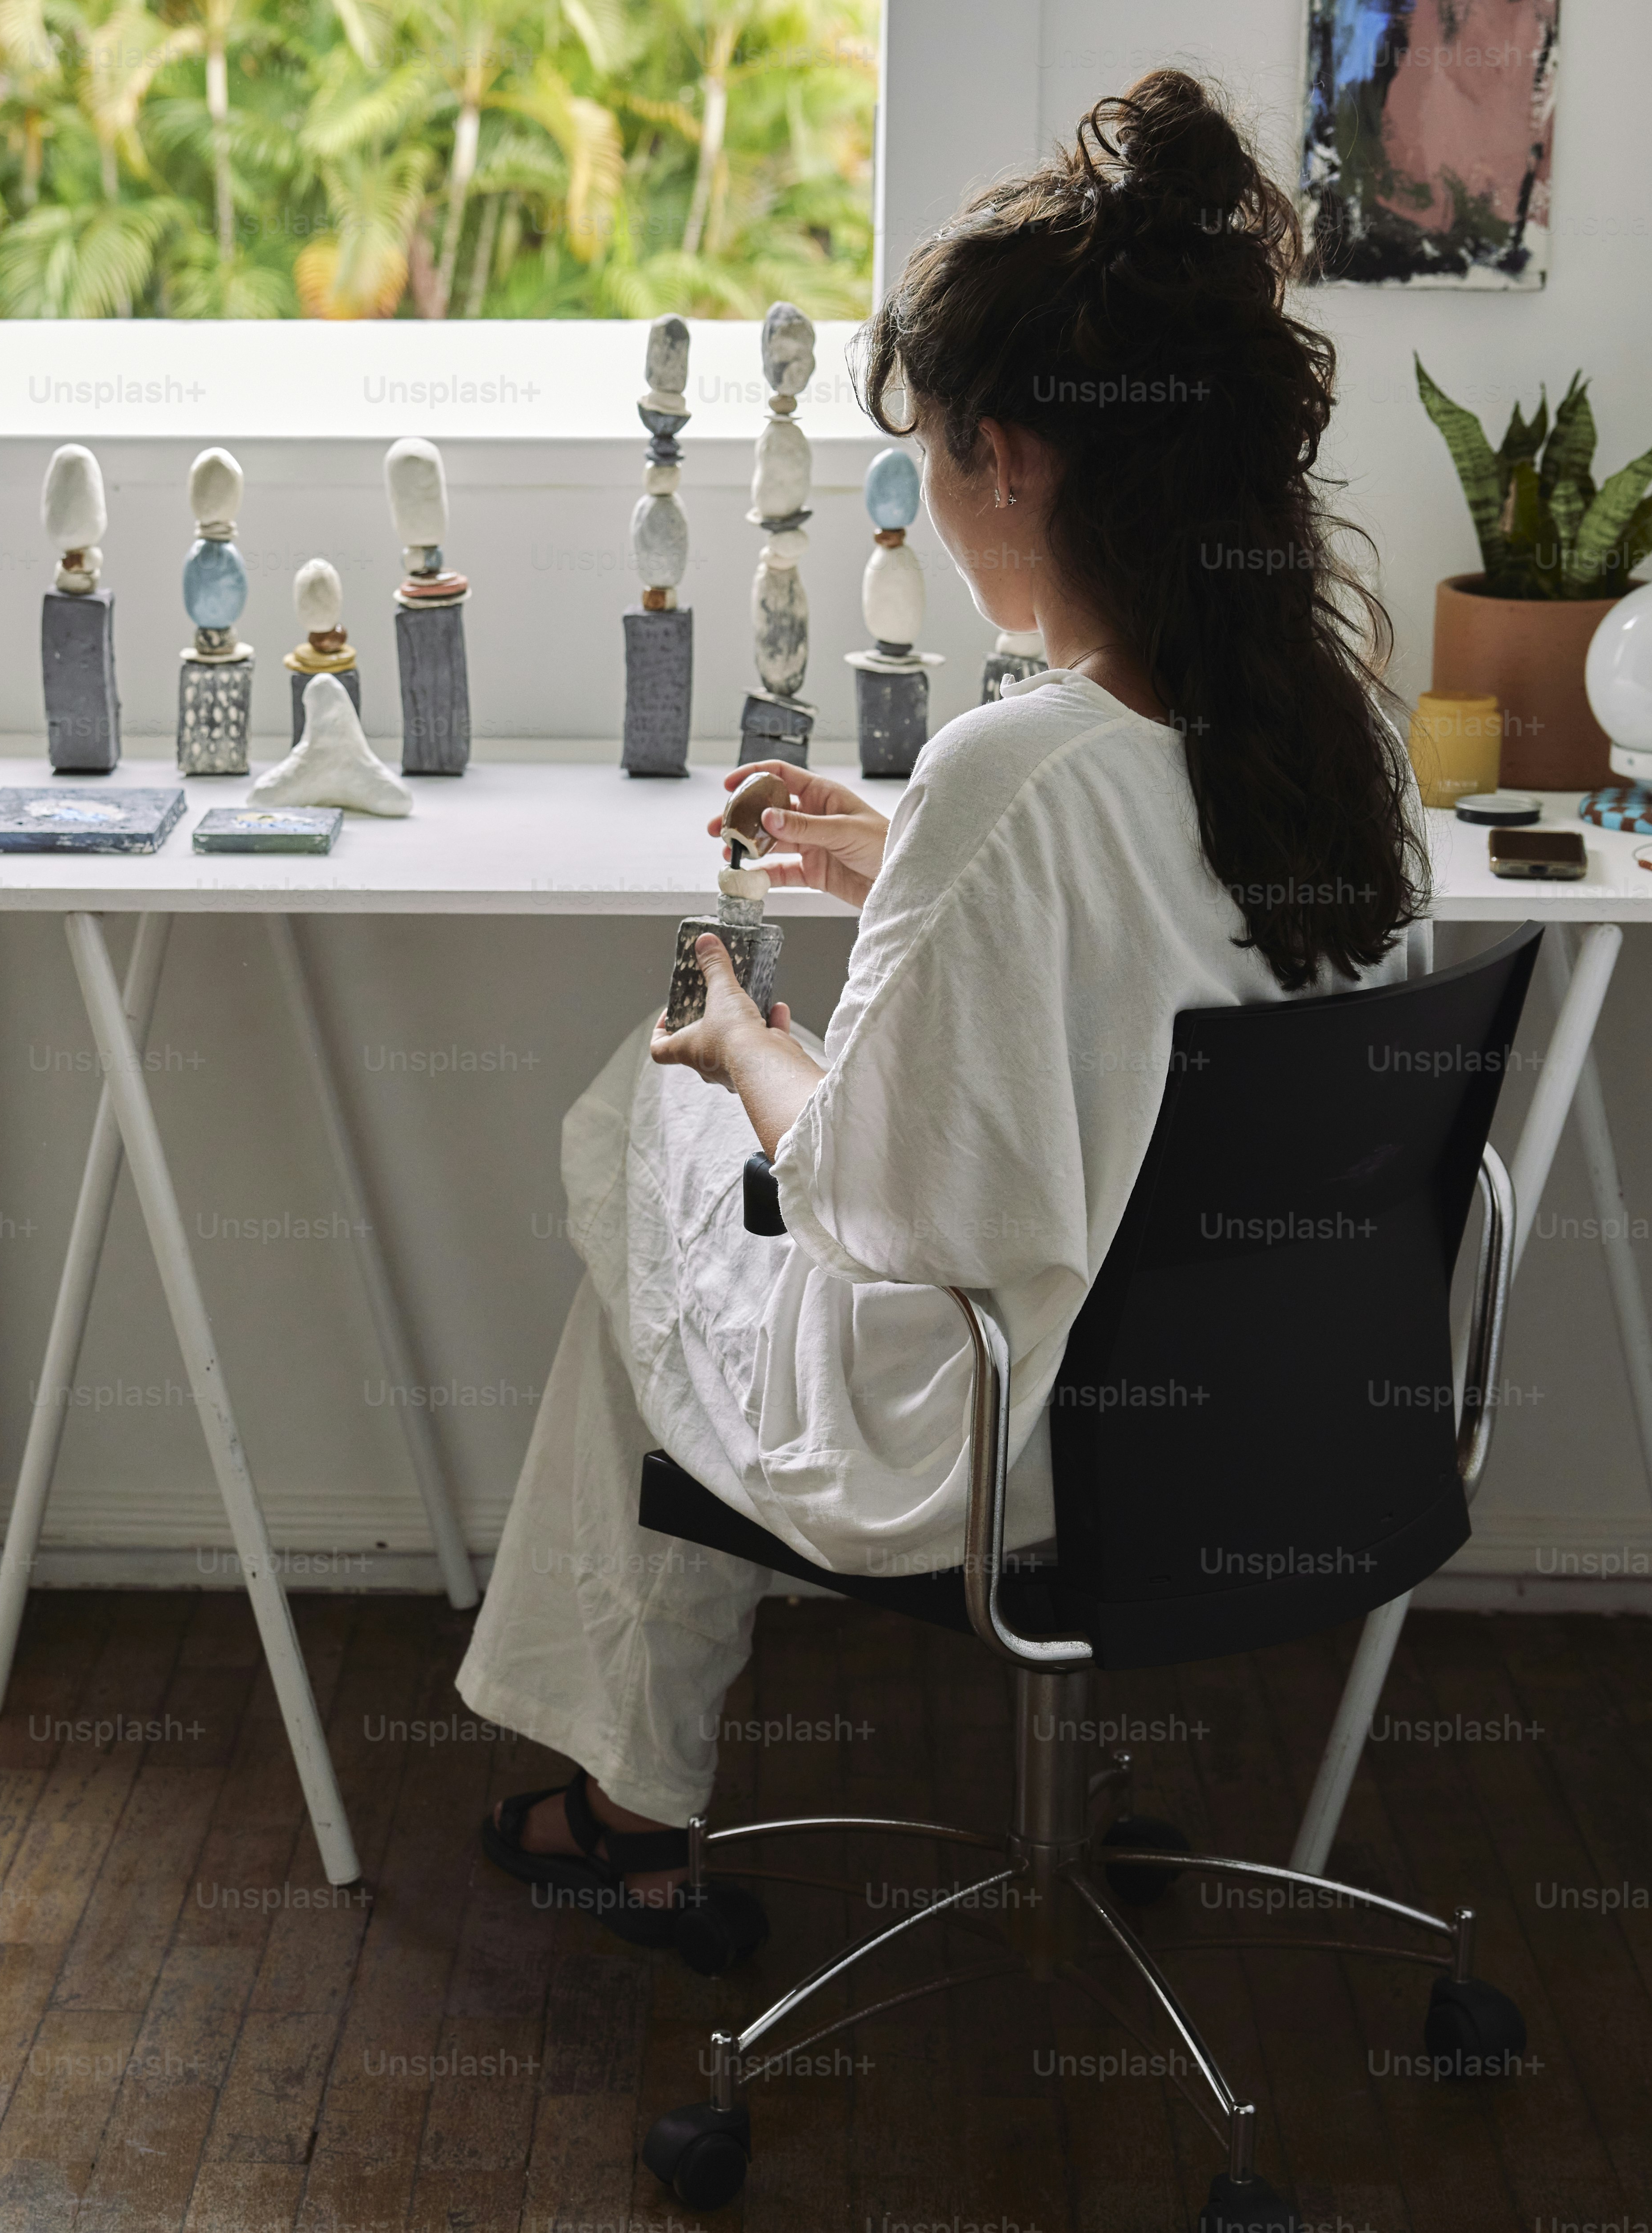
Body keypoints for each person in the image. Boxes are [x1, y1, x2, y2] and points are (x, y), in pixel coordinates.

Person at [455, 67, 1431, 1941]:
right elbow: (1159, 981)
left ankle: (636, 1802)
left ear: (1014, 457)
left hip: (1011, 1437)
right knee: (681, 1206)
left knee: (652, 1132)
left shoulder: (1019, 776)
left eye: (931, 460)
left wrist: (747, 1038)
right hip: (1274, 1423)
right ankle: (632, 1787)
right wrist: (914, 867)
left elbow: (875, 1207)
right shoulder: (1328, 729)